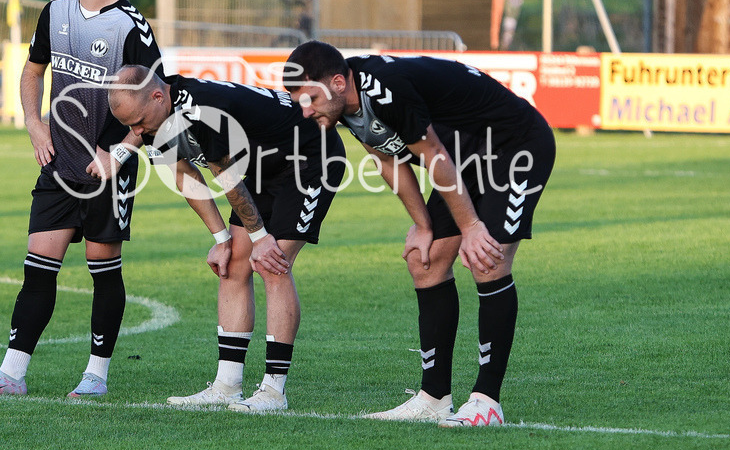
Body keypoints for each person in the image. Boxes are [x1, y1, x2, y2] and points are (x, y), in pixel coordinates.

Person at [284, 41, 555, 426]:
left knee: (487, 259)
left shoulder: (383, 88)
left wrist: (471, 227)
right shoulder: (343, 103)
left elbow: (432, 154)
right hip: (465, 155)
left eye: (310, 99)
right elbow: (386, 159)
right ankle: (434, 398)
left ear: (339, 83)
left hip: (515, 143)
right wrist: (424, 226)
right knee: (424, 262)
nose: (305, 111)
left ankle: (487, 401)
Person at [0, 0, 163, 399]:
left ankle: (95, 377)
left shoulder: (131, 26)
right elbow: (33, 72)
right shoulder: (54, 12)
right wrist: (34, 122)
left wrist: (120, 154)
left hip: (107, 171)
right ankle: (10, 375)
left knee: (103, 271)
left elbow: (158, 101)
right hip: (59, 165)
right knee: (37, 269)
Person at [108, 65, 345, 412]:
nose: (137, 133)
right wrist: (221, 238)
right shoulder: (153, 122)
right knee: (232, 264)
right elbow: (184, 175)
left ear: (158, 97)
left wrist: (261, 238)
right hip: (267, 166)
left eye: (140, 123)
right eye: (130, 127)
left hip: (312, 156)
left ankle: (274, 391)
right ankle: (227, 386)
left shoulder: (202, 111)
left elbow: (227, 178)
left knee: (272, 263)